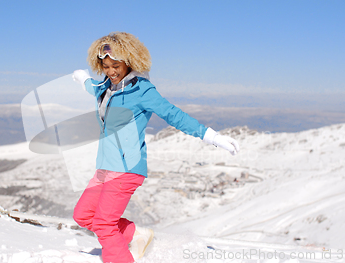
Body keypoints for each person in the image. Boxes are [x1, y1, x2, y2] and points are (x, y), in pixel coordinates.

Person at [72, 32, 239, 263]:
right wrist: (81, 78)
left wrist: (211, 136)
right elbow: (92, 87)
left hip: (126, 169)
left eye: (116, 65)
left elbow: (174, 115)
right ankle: (137, 235)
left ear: (129, 61)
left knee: (104, 223)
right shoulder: (105, 87)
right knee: (83, 216)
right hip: (104, 168)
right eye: (106, 66)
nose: (111, 71)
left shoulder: (142, 90)